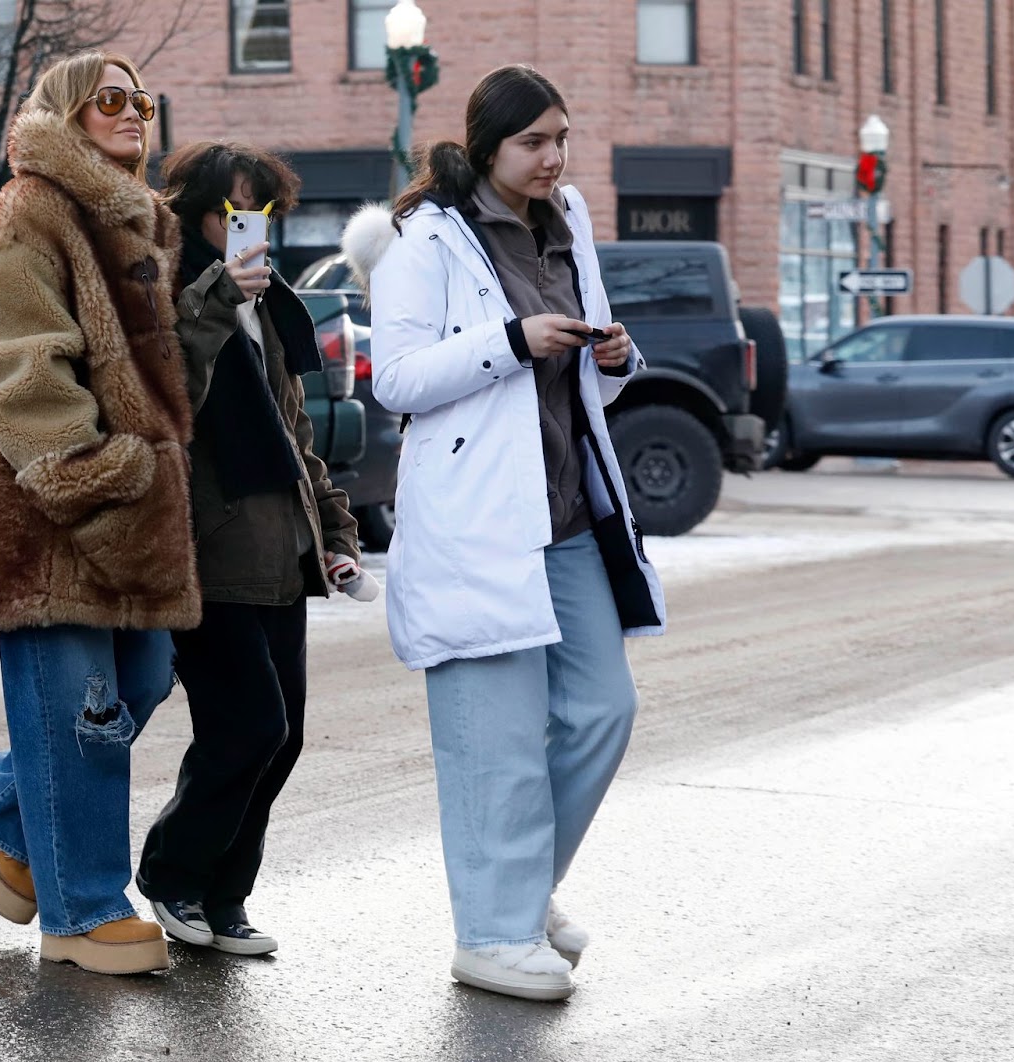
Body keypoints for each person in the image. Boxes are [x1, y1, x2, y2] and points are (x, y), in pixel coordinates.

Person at [342, 64, 666, 1001]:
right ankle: (490, 933)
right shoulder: (426, 238)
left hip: (567, 517)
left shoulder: (569, 223)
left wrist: (616, 355)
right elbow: (395, 381)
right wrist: (511, 341)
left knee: (604, 709)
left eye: (562, 138)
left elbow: (585, 389)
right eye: (534, 142)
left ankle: (521, 895)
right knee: (498, 741)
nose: (553, 158)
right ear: (487, 145)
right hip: (480, 524)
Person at [0, 50, 199, 977]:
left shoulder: (132, 220)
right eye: (109, 99)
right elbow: (13, 362)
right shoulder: (32, 209)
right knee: (83, 712)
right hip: (47, 511)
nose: (131, 113)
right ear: (65, 112)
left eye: (141, 100)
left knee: (146, 678)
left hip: (126, 515)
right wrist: (95, 473)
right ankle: (81, 911)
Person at [136, 142, 373, 956]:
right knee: (248, 729)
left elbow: (295, 434)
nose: (249, 229)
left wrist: (336, 534)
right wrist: (212, 298)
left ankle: (226, 894)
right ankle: (171, 877)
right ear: (191, 213)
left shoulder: (270, 306)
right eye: (230, 211)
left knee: (285, 735)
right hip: (208, 552)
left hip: (280, 548)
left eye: (261, 212)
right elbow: (166, 399)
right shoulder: (169, 291)